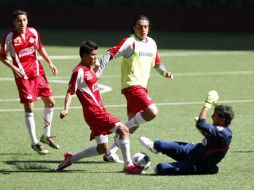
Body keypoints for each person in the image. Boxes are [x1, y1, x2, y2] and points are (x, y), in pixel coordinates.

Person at [57, 40, 144, 174]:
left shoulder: (88, 70)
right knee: (123, 130)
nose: (95, 57)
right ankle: (129, 165)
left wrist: (97, 68)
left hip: (97, 112)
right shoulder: (78, 71)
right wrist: (66, 109)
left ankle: (71, 158)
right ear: (85, 56)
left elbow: (93, 78)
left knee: (102, 148)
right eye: (93, 55)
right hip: (94, 112)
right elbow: (70, 91)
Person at [96, 14, 174, 162]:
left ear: (149, 28)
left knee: (134, 123)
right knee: (152, 112)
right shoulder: (129, 42)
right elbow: (109, 53)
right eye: (139, 27)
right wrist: (99, 71)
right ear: (134, 27)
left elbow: (157, 63)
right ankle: (120, 130)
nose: (143, 29)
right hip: (131, 85)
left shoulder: (151, 42)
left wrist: (164, 72)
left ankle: (110, 152)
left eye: (145, 27)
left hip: (142, 87)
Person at [0, 10, 60, 155]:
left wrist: (50, 63)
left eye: (24, 20)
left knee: (50, 102)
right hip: (24, 77)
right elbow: (2, 56)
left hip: (38, 73)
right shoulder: (9, 37)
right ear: (14, 22)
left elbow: (40, 48)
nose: (22, 23)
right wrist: (13, 67)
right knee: (30, 109)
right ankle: (35, 143)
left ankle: (46, 135)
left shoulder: (33, 32)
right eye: (19, 20)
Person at [139, 90, 235, 175]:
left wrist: (207, 105)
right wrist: (202, 130)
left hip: (199, 162)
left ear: (222, 120)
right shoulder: (220, 130)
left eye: (215, 115)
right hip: (193, 150)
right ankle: (156, 149)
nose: (212, 116)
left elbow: (201, 124)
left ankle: (192, 166)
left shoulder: (223, 132)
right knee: (158, 144)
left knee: (161, 168)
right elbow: (209, 139)